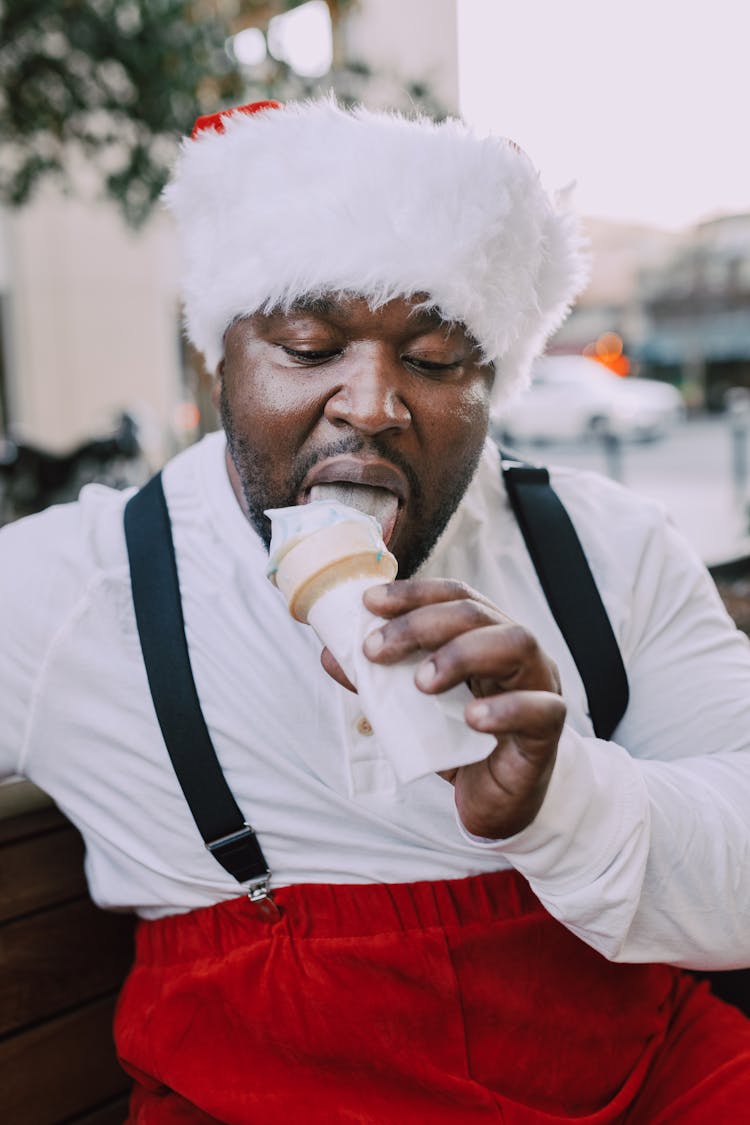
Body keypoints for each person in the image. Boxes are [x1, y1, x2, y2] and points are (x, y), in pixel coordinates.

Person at [1, 98, 749, 1123]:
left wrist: (566, 801)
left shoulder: (609, 548)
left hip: (645, 1084)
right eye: (310, 347)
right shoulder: (71, 586)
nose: (371, 403)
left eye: (436, 359)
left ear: (495, 381)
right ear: (216, 362)